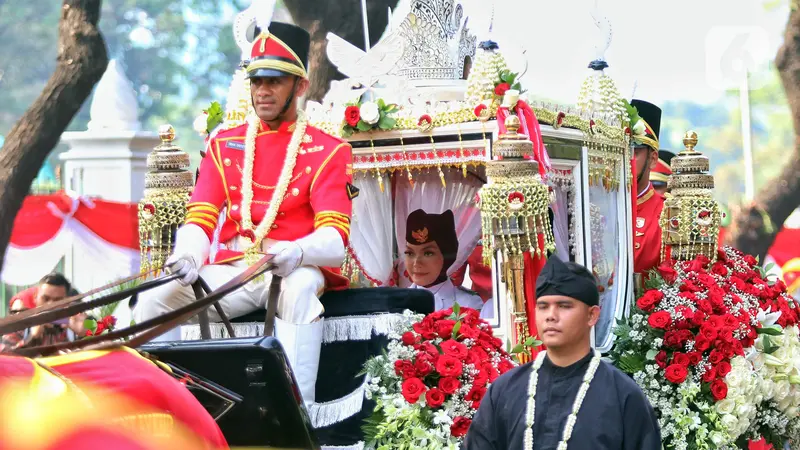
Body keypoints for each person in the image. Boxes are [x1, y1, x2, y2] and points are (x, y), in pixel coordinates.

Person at [132, 20, 354, 407]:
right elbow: (200, 218)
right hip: (236, 268)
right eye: (256, 81)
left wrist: (297, 252)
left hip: (293, 265)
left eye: (274, 81)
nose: (262, 91)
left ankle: (297, 413)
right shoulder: (225, 143)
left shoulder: (329, 150)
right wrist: (186, 256)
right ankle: (159, 407)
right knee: (155, 298)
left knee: (300, 288)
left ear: (300, 86)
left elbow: (336, 240)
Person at [463, 255, 661, 449]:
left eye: (564, 306)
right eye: (543, 307)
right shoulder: (505, 390)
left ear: (592, 315)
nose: (551, 316)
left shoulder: (623, 396)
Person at [403, 209, 487, 316]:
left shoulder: (468, 304)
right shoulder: (396, 303)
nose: (416, 263)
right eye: (410, 253)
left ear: (447, 256)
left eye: (428, 253)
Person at [630, 99, 665, 275]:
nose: (625, 160)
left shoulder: (667, 215)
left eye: (633, 153)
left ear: (652, 159)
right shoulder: (595, 206)